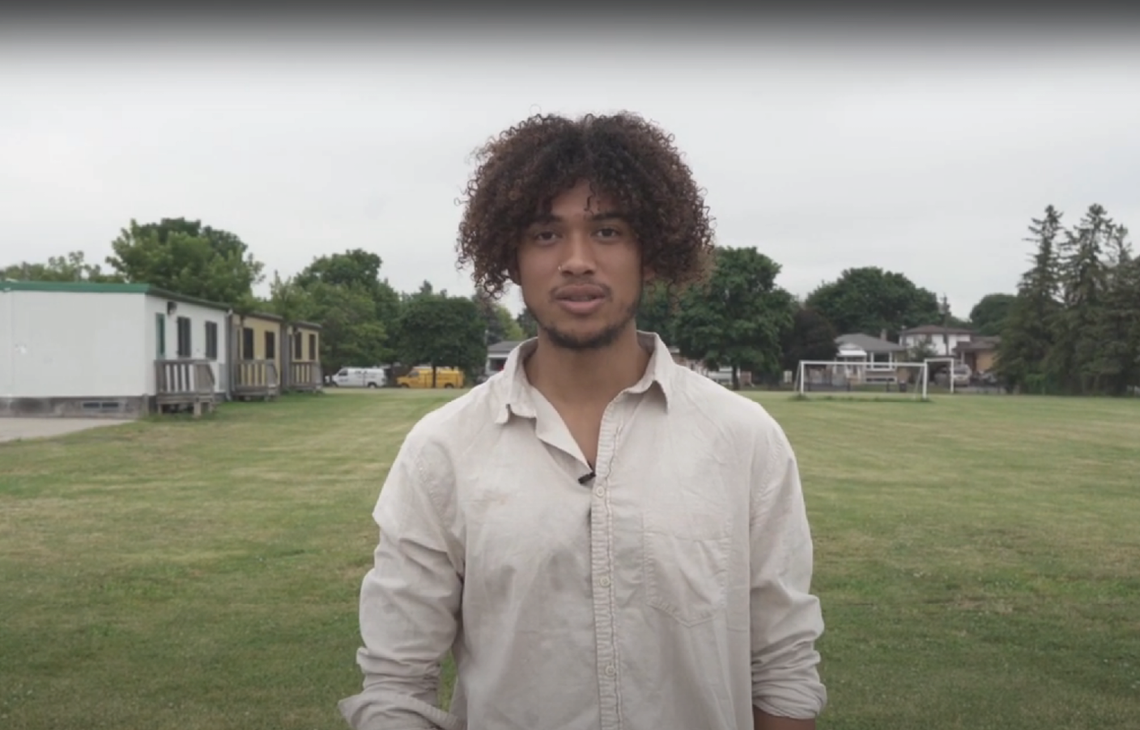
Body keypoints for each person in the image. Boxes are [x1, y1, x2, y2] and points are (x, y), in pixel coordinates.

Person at [339, 112, 827, 730]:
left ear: (650, 251)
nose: (576, 260)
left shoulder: (745, 438)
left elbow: (782, 668)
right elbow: (396, 685)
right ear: (510, 258)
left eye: (608, 230)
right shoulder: (443, 450)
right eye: (546, 234)